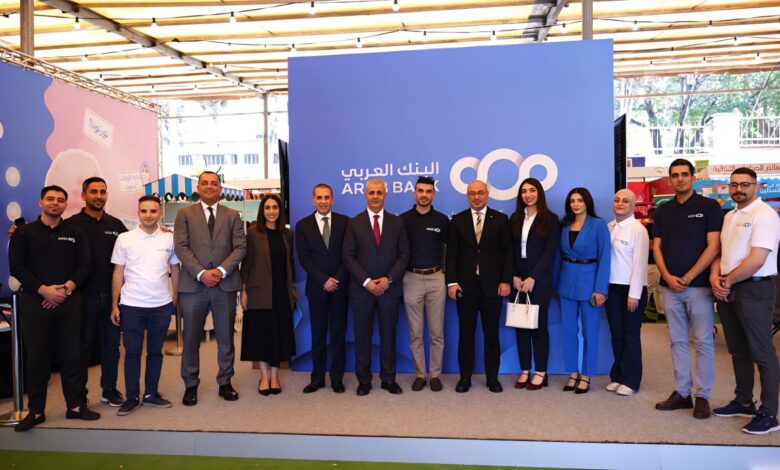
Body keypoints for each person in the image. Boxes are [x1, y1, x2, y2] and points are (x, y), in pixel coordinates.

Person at [10, 185, 100, 432]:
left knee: (73, 355)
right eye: (50, 199)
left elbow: (85, 264)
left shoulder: (76, 233)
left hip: (70, 301)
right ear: (41, 203)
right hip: (35, 302)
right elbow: (17, 267)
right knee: (37, 358)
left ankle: (75, 406)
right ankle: (36, 411)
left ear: (65, 205)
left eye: (60, 200)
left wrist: (66, 289)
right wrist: (43, 290)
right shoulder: (23, 233)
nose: (55, 203)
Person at [710, 167, 780, 435]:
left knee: (762, 352)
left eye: (745, 184)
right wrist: (716, 277)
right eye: (734, 184)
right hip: (729, 288)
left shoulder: (765, 215)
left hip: (755, 289)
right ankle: (744, 401)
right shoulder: (729, 216)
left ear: (756, 187)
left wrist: (727, 281)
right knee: (738, 350)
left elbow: (757, 259)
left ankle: (769, 413)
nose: (738, 189)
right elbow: (721, 252)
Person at [653, 158, 723, 420]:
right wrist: (667, 276)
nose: (680, 179)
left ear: (693, 178)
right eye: (675, 175)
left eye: (684, 174)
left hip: (699, 286)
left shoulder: (709, 207)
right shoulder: (663, 210)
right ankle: (682, 393)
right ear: (670, 179)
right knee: (678, 341)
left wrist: (689, 276)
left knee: (703, 341)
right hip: (669, 286)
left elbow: (714, 246)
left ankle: (702, 395)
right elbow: (657, 247)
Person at [174, 171, 247, 406]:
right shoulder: (184, 214)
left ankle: (225, 382)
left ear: (220, 188)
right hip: (193, 286)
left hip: (224, 286)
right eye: (204, 183)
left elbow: (240, 247)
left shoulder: (233, 215)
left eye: (214, 184)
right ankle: (190, 385)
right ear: (198, 187)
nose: (209, 187)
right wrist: (202, 273)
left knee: (226, 338)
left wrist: (221, 271)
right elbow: (181, 247)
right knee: (191, 339)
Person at [110, 196, 180, 416]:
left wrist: (175, 296)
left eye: (153, 211)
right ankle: (132, 397)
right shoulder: (124, 239)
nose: (148, 215)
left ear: (160, 213)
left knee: (155, 352)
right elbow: (118, 272)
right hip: (132, 305)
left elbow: (175, 269)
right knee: (132, 353)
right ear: (138, 213)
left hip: (161, 305)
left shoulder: (169, 239)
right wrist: (114, 304)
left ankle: (151, 394)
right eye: (144, 211)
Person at [343, 178, 410, 396]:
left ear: (385, 195)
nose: (375, 196)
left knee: (388, 336)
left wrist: (388, 279)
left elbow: (404, 255)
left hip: (389, 290)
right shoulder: (354, 223)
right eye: (371, 192)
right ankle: (364, 380)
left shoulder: (397, 222)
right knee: (362, 337)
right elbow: (348, 256)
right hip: (361, 291)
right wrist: (367, 281)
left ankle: (388, 379)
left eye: (379, 193)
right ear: (365, 194)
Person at [66, 177, 128, 408]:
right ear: (84, 195)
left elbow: (132, 249)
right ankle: (79, 396)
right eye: (94, 192)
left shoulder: (116, 225)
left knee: (111, 347)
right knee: (82, 348)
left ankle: (109, 390)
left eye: (103, 192)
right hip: (82, 297)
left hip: (112, 298)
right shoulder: (71, 225)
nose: (99, 196)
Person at [446, 179, 512, 393]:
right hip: (465, 288)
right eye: (472, 193)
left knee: (492, 335)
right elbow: (451, 255)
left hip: (492, 287)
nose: (476, 197)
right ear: (467, 196)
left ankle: (492, 378)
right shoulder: (457, 220)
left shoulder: (500, 219)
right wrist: (452, 283)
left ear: (487, 194)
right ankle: (464, 378)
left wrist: (505, 280)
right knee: (466, 334)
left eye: (480, 193)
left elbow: (507, 253)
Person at [240, 194, 297, 395]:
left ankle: (274, 375)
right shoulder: (253, 232)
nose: (271, 211)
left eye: (275, 207)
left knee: (278, 334)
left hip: (281, 292)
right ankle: (264, 376)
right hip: (259, 291)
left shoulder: (287, 234)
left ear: (280, 211)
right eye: (267, 208)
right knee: (261, 335)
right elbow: (246, 263)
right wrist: (243, 290)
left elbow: (290, 264)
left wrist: (292, 288)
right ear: (262, 211)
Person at [295, 184, 349, 394]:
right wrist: (324, 280)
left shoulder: (345, 222)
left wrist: (336, 279)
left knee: (338, 335)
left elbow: (348, 254)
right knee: (318, 335)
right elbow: (304, 258)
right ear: (313, 200)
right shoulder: (303, 225)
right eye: (319, 197)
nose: (323, 201)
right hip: (317, 289)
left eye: (327, 197)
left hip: (340, 288)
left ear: (332, 199)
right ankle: (317, 378)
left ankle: (337, 379)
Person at [557, 187, 611, 395]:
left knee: (590, 332)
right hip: (566, 284)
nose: (576, 204)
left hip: (590, 286)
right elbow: (558, 257)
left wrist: (600, 289)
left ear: (587, 202)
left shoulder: (598, 224)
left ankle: (587, 374)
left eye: (580, 200)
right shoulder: (564, 225)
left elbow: (605, 258)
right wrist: (555, 284)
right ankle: (573, 372)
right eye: (572, 201)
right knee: (568, 331)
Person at [508, 178, 560, 391]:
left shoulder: (551, 219)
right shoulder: (515, 218)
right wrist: (513, 276)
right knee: (520, 326)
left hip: (539, 281)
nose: (528, 195)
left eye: (532, 190)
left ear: (539, 193)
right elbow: (510, 250)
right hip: (518, 281)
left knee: (538, 327)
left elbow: (550, 252)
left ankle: (540, 371)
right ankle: (524, 369)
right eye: (524, 191)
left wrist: (533, 277)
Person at [401, 176, 449, 392]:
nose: (424, 195)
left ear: (433, 195)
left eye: (428, 191)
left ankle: (435, 374)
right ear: (414, 193)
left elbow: (449, 249)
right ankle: (420, 374)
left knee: (437, 332)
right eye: (420, 191)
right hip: (411, 278)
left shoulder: (441, 220)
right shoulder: (403, 220)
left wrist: (445, 274)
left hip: (436, 278)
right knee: (416, 332)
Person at [605, 189, 649, 397]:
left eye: (625, 201)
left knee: (631, 335)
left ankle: (631, 380)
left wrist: (634, 294)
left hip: (631, 290)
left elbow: (640, 263)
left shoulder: (638, 230)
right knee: (617, 334)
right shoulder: (609, 226)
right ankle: (618, 376)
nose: (620, 204)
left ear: (632, 205)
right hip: (612, 288)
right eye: (617, 200)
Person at [644, 208, 665, 322]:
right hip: (652, 263)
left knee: (658, 289)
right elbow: (650, 246)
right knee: (649, 289)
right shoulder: (650, 229)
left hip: (654, 263)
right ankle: (642, 313)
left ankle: (661, 311)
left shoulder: (649, 228)